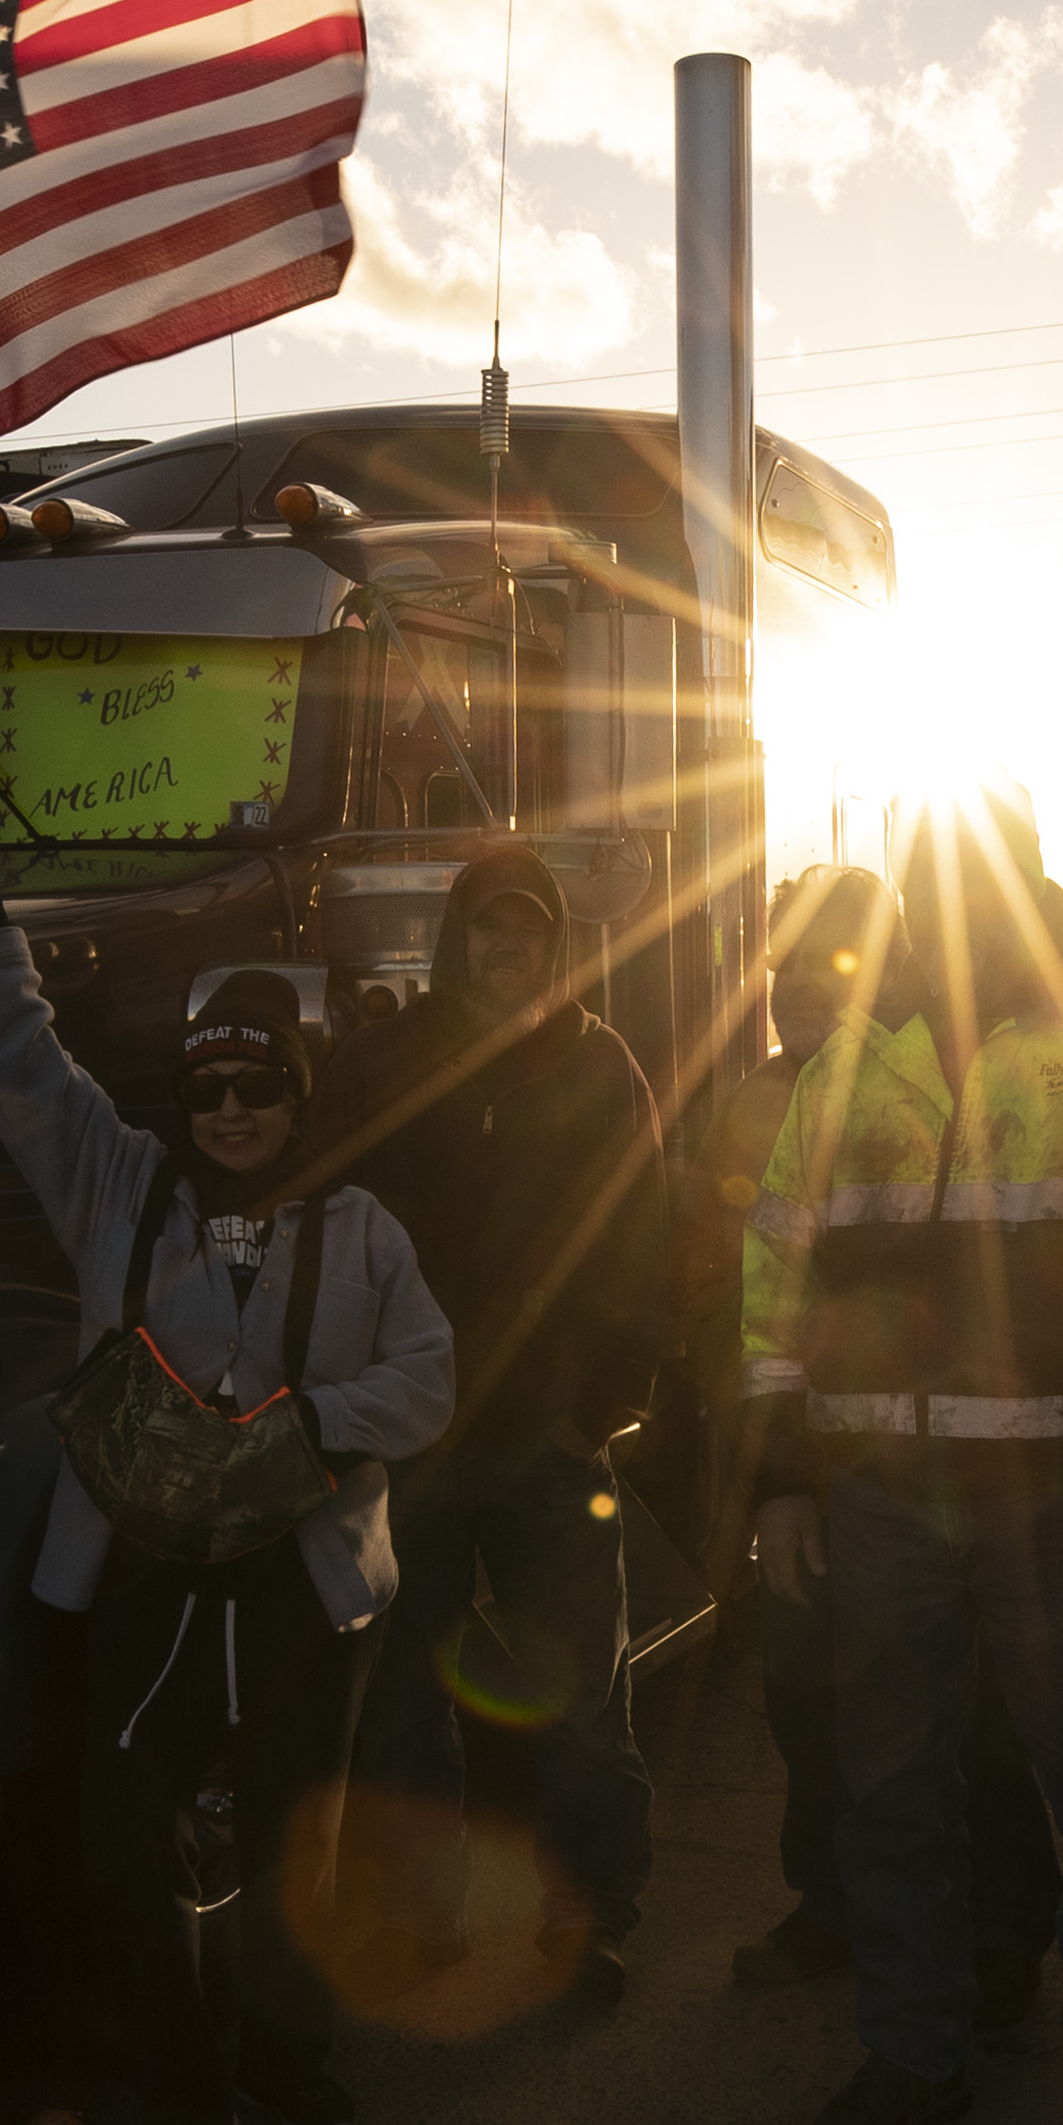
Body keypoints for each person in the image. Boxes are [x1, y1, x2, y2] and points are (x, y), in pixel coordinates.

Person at [0, 767, 457, 2125]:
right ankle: (182, 2098)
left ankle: (281, 2060)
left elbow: (430, 1381)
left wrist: (308, 1423)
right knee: (116, 1845)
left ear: (298, 1090)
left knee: (299, 1839)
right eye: (208, 1086)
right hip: (146, 1581)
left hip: (302, 1587)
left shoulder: (365, 1229)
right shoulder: (120, 1189)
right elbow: (25, 1065)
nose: (232, 1109)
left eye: (259, 1084)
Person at [742, 787, 1063, 2125]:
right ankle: (915, 2050)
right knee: (891, 1792)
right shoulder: (843, 1069)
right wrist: (781, 1478)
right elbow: (771, 1282)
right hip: (881, 1503)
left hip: (1062, 1499)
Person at [315, 841, 670, 2004]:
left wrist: (595, 1414)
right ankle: (423, 1920)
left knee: (580, 1700)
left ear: (556, 945)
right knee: (404, 1704)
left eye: (528, 931)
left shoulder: (603, 1070)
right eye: (488, 929)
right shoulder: (378, 1064)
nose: (507, 950)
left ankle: (588, 1916)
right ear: (455, 937)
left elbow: (644, 1252)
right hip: (403, 1443)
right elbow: (316, 1226)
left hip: (545, 1447)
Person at [702, 868, 1061, 2003]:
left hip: (933, 1469)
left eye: (835, 961)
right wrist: (764, 1476)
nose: (803, 984)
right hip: (803, 1466)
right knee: (809, 1697)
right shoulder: (755, 1102)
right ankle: (834, 1905)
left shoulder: (945, 1084)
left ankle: (1002, 1936)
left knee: (979, 1711)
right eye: (786, 966)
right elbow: (736, 1294)